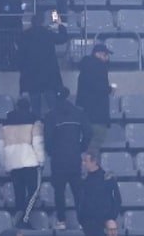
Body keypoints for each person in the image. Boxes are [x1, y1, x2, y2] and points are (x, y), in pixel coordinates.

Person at [43, 87, 92, 230]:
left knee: (59, 191)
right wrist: (80, 148)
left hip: (58, 160)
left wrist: (52, 152)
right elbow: (88, 133)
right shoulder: (79, 113)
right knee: (78, 191)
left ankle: (61, 221)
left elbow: (48, 139)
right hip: (74, 158)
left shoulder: (51, 115)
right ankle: (82, 221)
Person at [0, 99, 45, 225]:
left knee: (19, 194)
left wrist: (5, 165)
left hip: (13, 163)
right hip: (29, 161)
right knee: (34, 192)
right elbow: (37, 142)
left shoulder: (5, 123)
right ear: (29, 107)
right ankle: (23, 220)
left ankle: (20, 217)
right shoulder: (34, 120)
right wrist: (41, 161)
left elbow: (0, 147)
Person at [16, 11, 68, 115]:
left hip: (31, 77)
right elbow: (63, 38)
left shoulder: (24, 35)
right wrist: (60, 24)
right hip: (48, 77)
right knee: (53, 108)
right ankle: (52, 128)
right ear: (43, 21)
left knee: (35, 109)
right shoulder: (47, 34)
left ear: (31, 22)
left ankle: (37, 127)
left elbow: (19, 54)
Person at [76, 43, 112, 155]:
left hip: (85, 112)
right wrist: (109, 89)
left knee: (87, 144)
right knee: (95, 146)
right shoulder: (99, 67)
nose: (107, 58)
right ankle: (92, 170)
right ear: (99, 54)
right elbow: (99, 88)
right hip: (98, 114)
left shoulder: (85, 67)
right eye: (106, 54)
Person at [77, 152, 121, 236]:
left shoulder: (107, 178)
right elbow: (80, 201)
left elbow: (117, 199)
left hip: (104, 222)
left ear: (94, 162)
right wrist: (81, 219)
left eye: (85, 161)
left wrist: (111, 218)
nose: (83, 163)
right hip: (88, 223)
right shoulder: (84, 180)